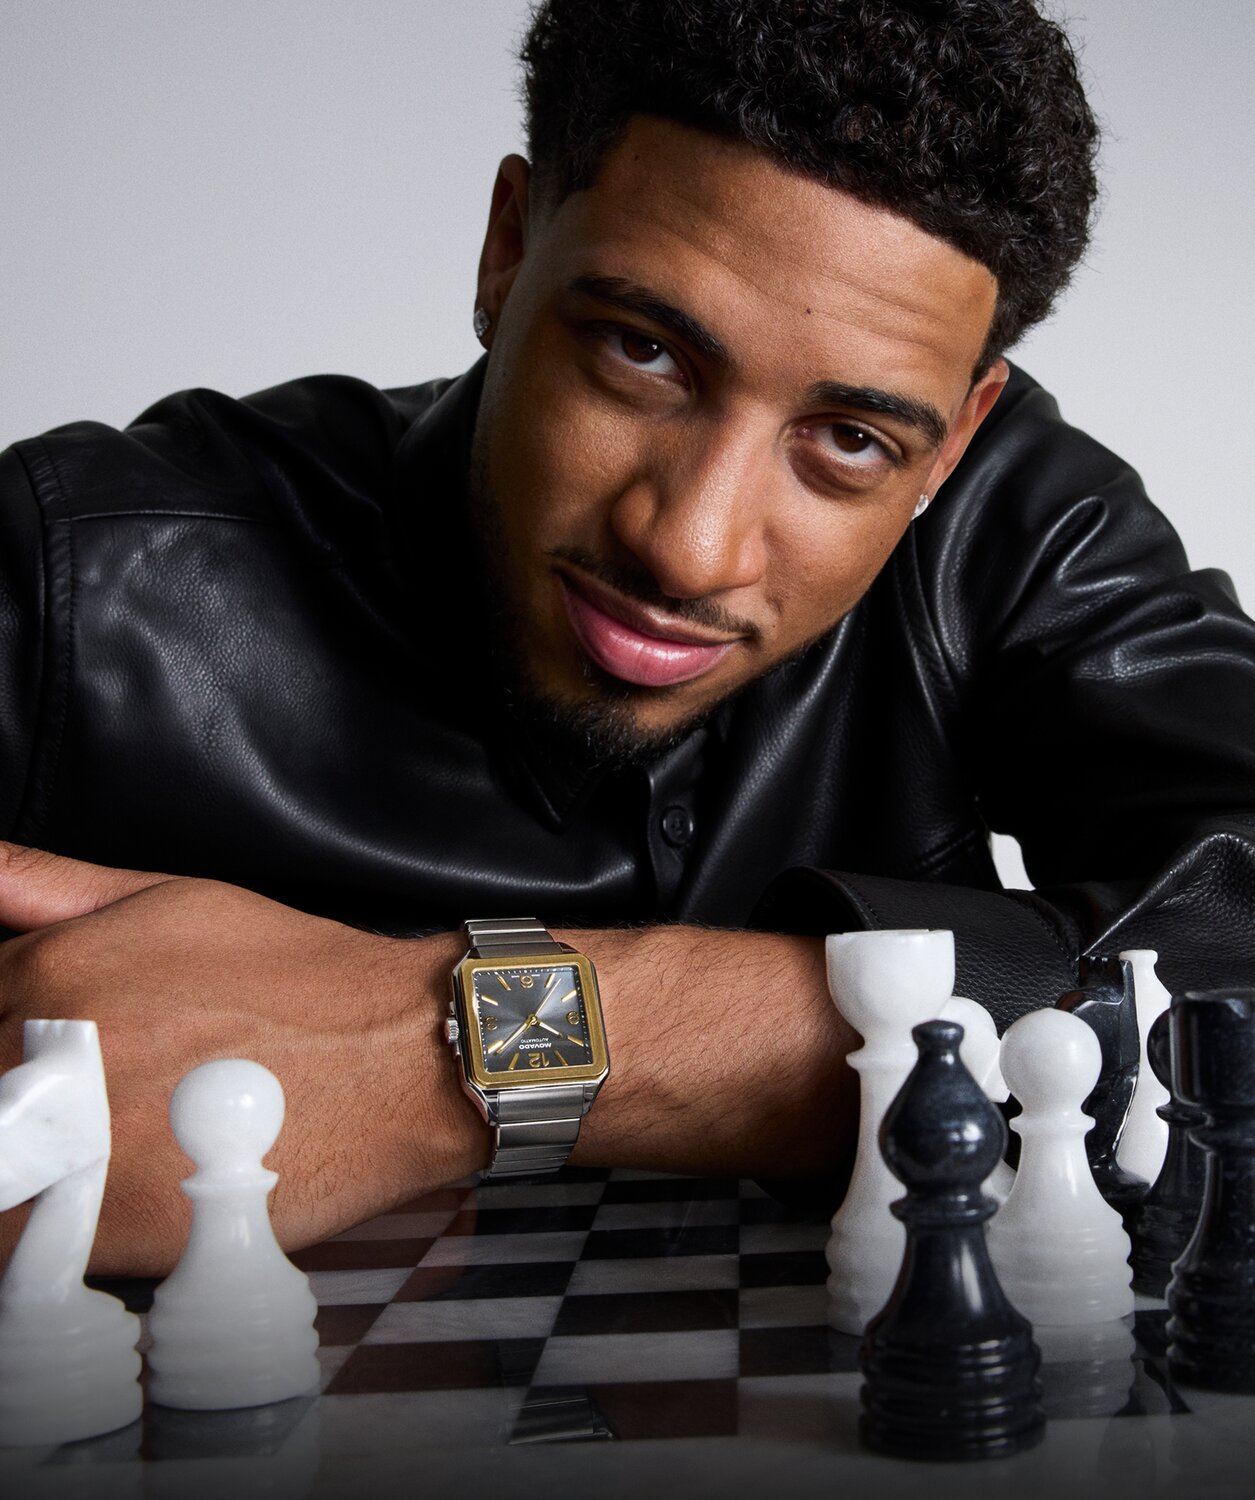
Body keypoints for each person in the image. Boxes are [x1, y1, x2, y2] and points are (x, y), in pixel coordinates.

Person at [1, 0, 1253, 1274]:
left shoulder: (1010, 532)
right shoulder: (75, 579)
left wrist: (451, 1044)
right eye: (642, 352)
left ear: (965, 427)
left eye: (851, 442)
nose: (689, 550)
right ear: (506, 249)